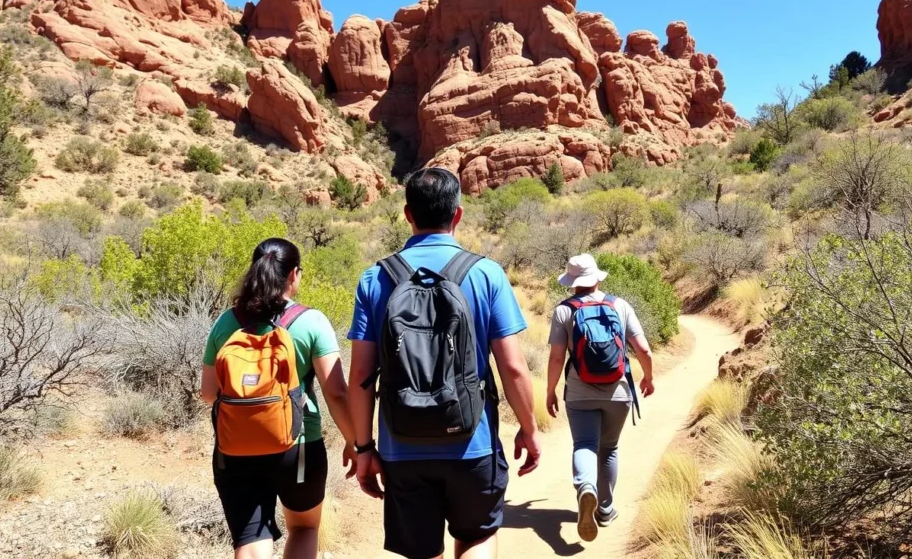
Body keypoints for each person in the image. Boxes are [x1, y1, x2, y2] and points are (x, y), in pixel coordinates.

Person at [348, 167, 542, 559]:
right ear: (458, 214)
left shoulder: (374, 278)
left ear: (407, 215)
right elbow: (513, 367)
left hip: (401, 444)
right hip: (472, 442)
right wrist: (529, 428)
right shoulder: (486, 274)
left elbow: (361, 377)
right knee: (476, 539)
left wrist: (363, 447)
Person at [200, 238, 357, 559]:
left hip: (235, 449)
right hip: (298, 447)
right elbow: (337, 392)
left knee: (251, 537)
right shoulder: (311, 322)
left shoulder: (226, 323)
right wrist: (355, 441)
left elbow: (208, 393)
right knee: (303, 528)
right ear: (293, 275)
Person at [545, 254, 655, 543]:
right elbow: (643, 349)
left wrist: (550, 391)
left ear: (571, 283)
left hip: (579, 392)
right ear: (597, 278)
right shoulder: (619, 305)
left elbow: (557, 358)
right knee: (609, 448)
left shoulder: (564, 311)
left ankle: (585, 489)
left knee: (584, 444)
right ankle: (605, 510)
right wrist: (648, 377)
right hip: (618, 391)